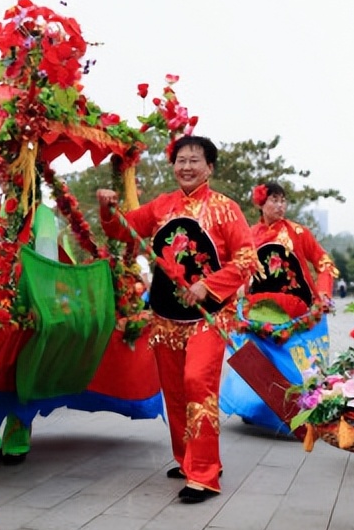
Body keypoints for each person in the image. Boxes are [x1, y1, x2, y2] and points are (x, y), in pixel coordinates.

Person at [97, 133, 257, 503]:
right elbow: (123, 228)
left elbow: (247, 259)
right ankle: (187, 459)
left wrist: (208, 286)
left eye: (194, 160)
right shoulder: (161, 206)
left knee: (196, 382)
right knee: (175, 390)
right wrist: (108, 209)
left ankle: (204, 474)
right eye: (180, 160)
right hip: (166, 317)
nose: (186, 167)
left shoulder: (225, 209)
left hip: (209, 316)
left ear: (209, 167)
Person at [248, 182, 337, 307]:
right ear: (261, 204)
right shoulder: (249, 235)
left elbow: (325, 262)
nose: (280, 206)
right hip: (256, 306)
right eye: (274, 200)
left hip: (297, 305)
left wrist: (323, 291)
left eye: (283, 201)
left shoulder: (298, 232)